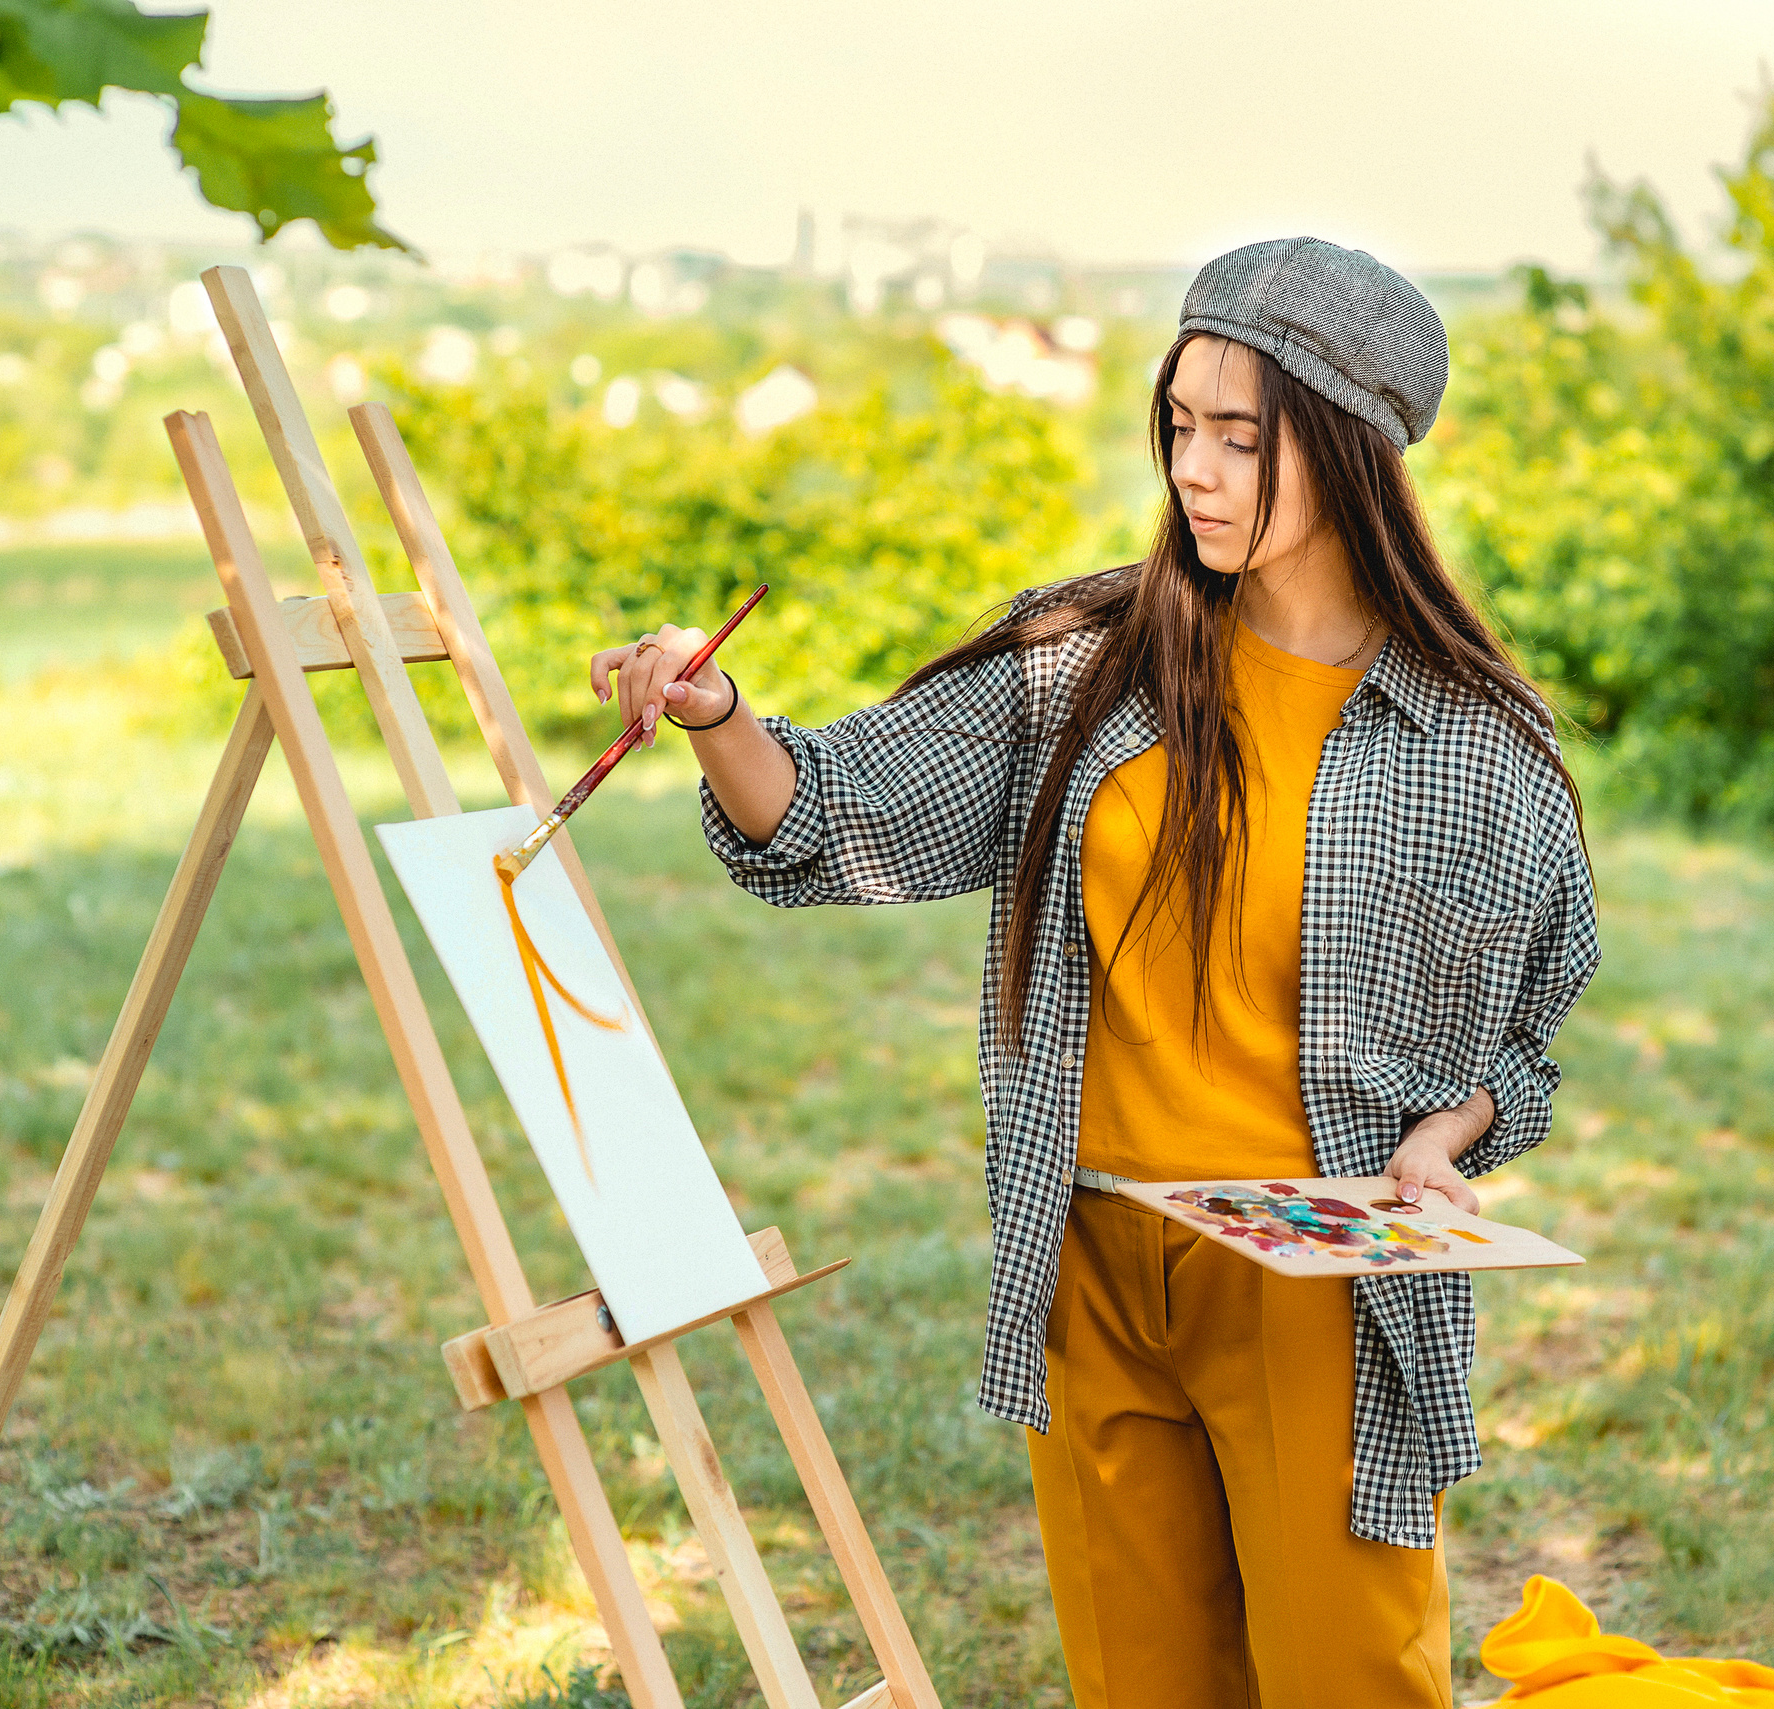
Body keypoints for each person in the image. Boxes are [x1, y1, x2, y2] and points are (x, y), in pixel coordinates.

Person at [592, 236, 1600, 1709]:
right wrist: (718, 709)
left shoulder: (1478, 747)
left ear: (1352, 450)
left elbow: (1517, 1039)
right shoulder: (1093, 663)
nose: (1196, 468)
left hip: (1311, 1282)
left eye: (1241, 437)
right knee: (1139, 1682)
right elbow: (832, 809)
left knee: (1345, 1681)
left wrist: (1445, 1143)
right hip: (1094, 1260)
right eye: (1180, 425)